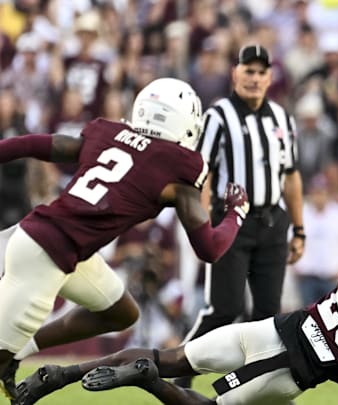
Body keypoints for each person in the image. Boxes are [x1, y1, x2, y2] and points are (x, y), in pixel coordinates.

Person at [16, 226, 338, 405]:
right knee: (199, 401)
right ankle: (147, 383)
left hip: (277, 328)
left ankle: (58, 375)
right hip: (289, 372)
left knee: (173, 354)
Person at [0, 78, 250, 401]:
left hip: (48, 241)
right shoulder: (179, 167)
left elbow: (39, 144)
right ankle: (10, 355)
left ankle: (21, 353)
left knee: (120, 312)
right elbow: (210, 249)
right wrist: (236, 213)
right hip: (46, 258)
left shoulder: (109, 134)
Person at [178, 44, 305, 387]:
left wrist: (299, 228)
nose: (255, 78)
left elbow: (291, 176)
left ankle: (252, 385)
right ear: (235, 73)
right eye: (248, 70)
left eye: (261, 72)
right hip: (230, 222)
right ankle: (179, 373)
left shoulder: (282, 117)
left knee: (267, 314)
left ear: (270, 77)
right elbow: (200, 175)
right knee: (224, 308)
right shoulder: (218, 116)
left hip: (272, 223)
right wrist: (201, 224)